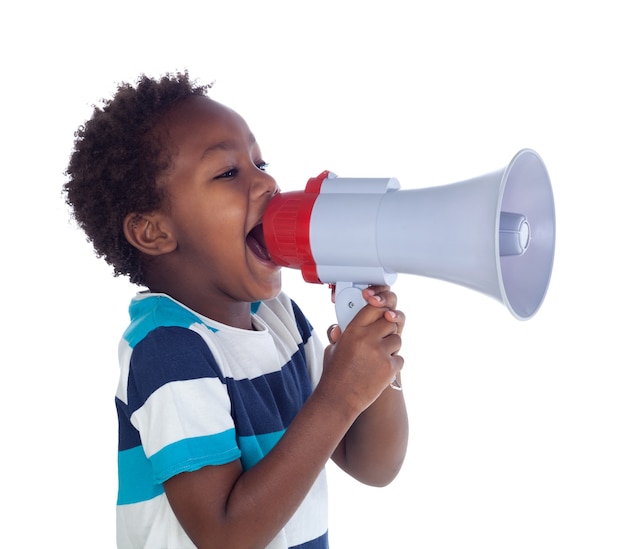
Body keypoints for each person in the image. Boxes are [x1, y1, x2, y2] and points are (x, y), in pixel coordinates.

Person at [64, 72, 409, 549]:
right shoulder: (168, 350)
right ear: (154, 231)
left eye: (260, 162)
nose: (266, 180)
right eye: (228, 173)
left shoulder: (278, 317)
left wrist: (375, 369)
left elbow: (374, 465)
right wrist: (339, 395)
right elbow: (225, 535)